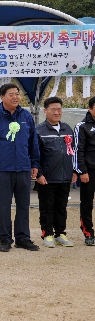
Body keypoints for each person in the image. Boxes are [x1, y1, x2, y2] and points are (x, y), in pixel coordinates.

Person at [0, 83, 40, 252]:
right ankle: (5, 239)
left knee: (23, 204)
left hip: (23, 167)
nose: (15, 97)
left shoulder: (26, 116)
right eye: (11, 94)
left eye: (17, 94)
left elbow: (32, 141)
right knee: (2, 205)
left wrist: (35, 163)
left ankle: (23, 238)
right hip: (1, 169)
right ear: (2, 97)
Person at [36, 97, 75, 248]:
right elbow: (34, 154)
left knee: (61, 206)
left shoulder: (67, 129)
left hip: (65, 176)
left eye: (59, 109)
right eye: (53, 109)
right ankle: (47, 233)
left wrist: (73, 171)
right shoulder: (39, 130)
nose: (57, 112)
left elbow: (73, 152)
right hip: (47, 177)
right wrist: (39, 174)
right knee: (47, 207)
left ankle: (60, 233)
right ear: (45, 111)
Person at [73, 96, 95, 246]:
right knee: (87, 203)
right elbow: (78, 150)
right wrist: (82, 171)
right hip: (89, 171)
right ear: (90, 109)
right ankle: (88, 233)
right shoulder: (82, 126)